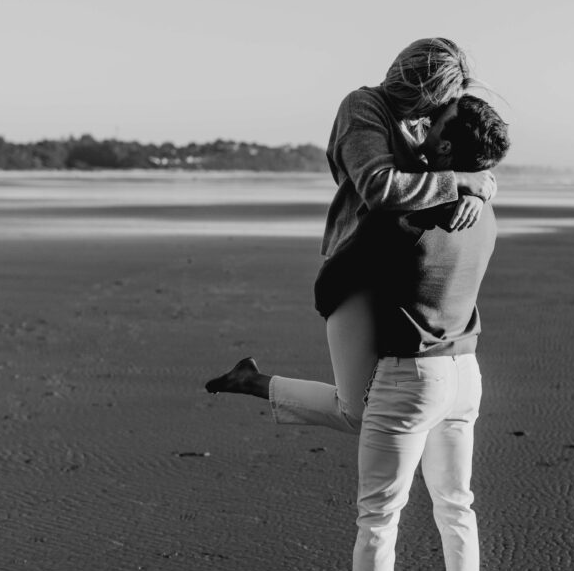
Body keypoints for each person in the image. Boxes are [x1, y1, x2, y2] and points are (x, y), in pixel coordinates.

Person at [207, 95, 510, 571]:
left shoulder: (401, 219)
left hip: (412, 375)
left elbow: (336, 278)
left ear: (447, 149)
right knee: (456, 504)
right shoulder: (485, 214)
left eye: (437, 124)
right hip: (465, 372)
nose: (425, 126)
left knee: (379, 519)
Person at [206, 38, 497, 436]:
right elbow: (380, 188)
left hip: (398, 269)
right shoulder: (362, 108)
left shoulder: (418, 121)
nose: (435, 117)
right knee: (359, 409)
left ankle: (251, 380)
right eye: (439, 102)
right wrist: (462, 181)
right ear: (421, 89)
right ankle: (253, 382)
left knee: (390, 401)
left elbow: (460, 160)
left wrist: (480, 191)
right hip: (357, 266)